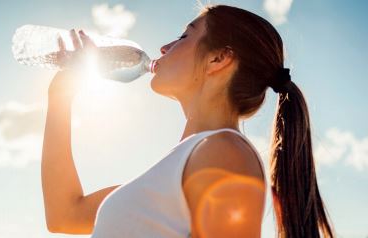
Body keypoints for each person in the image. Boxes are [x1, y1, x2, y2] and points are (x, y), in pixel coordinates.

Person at [41, 4, 335, 238]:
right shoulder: (185, 163)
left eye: (184, 36)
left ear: (218, 59)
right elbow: (65, 214)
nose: (164, 48)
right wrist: (60, 96)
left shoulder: (224, 153)